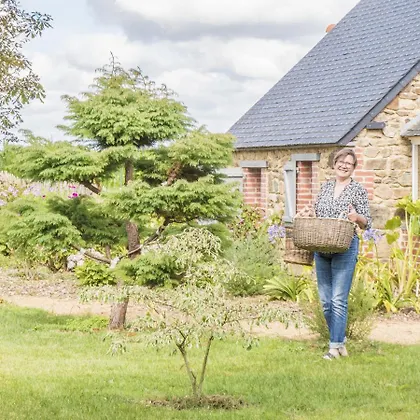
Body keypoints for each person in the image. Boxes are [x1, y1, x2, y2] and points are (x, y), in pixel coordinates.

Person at [312, 148, 371, 360]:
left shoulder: (358, 190)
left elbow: (367, 222)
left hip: (345, 247)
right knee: (326, 302)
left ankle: (333, 348)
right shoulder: (325, 187)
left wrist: (357, 217)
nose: (344, 165)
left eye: (349, 163)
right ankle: (340, 341)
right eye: (341, 161)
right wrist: (307, 213)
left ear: (353, 168)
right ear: (334, 163)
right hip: (322, 247)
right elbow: (316, 213)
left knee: (338, 300)